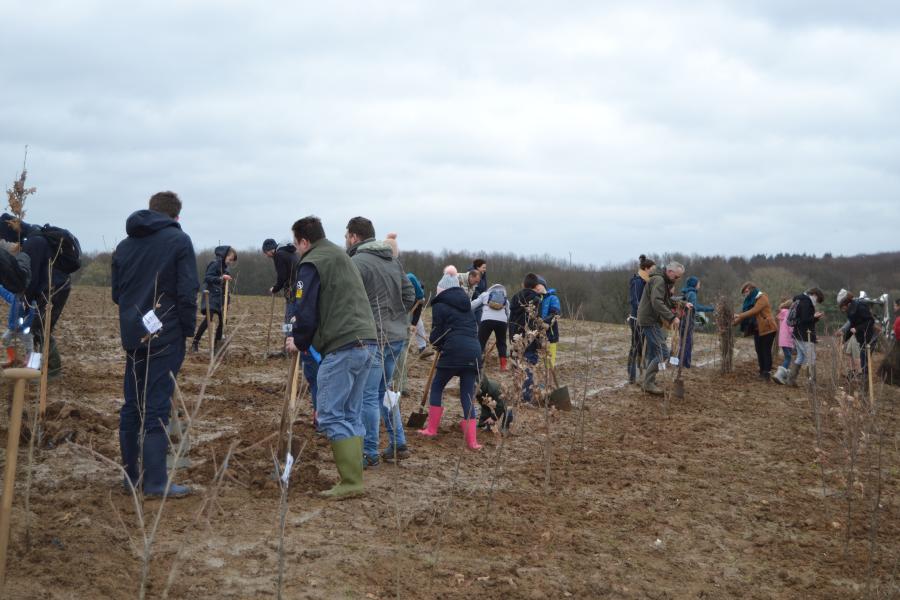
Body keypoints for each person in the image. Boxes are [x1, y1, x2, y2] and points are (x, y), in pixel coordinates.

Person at [112, 191, 198, 498]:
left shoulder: (125, 245)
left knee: (132, 404)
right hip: (166, 335)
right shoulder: (179, 241)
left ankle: (131, 478)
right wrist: (187, 330)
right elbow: (187, 291)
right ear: (176, 216)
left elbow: (117, 294)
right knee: (157, 404)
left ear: (151, 211)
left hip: (133, 334)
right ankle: (156, 482)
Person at [285, 216, 377, 499]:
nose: (296, 250)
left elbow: (305, 307)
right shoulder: (341, 255)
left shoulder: (312, 263)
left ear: (304, 241)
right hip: (367, 342)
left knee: (329, 414)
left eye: (296, 244)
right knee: (350, 412)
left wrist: (299, 339)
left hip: (342, 345)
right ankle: (355, 478)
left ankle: (350, 482)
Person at [345, 217, 416, 466]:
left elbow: (348, 300)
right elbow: (410, 295)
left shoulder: (356, 262)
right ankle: (398, 442)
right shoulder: (393, 261)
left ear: (354, 237)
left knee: (368, 396)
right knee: (385, 392)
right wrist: (396, 316)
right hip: (396, 337)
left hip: (373, 338)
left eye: (347, 236)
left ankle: (369, 452)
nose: (346, 241)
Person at [417, 274, 484, 450]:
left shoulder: (439, 304)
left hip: (454, 350)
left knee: (437, 386)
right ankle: (472, 441)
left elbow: (437, 334)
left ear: (442, 289)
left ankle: (431, 429)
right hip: (474, 352)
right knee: (467, 394)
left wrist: (436, 343)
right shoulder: (467, 304)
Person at [637, 262, 688, 395]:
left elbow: (666, 301)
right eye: (676, 277)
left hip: (651, 319)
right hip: (649, 320)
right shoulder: (659, 280)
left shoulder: (662, 281)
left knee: (655, 353)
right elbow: (657, 302)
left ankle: (649, 381)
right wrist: (672, 317)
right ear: (670, 272)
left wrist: (683, 304)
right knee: (663, 352)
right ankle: (647, 383)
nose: (677, 279)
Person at [190, 246, 236, 353]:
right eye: (230, 259)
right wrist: (221, 278)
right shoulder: (214, 264)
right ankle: (195, 343)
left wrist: (228, 301)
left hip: (221, 298)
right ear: (225, 255)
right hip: (210, 295)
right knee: (209, 319)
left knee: (223, 321)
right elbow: (207, 277)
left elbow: (226, 287)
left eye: (232, 261)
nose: (230, 262)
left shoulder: (226, 269)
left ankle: (216, 347)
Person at [508, 273, 545, 403]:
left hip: (515, 338)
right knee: (529, 367)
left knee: (517, 367)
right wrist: (539, 342)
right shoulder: (536, 300)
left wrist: (512, 337)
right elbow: (537, 322)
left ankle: (517, 395)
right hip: (530, 340)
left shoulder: (515, 298)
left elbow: (511, 320)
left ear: (523, 284)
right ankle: (526, 398)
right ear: (536, 286)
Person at [732, 282, 778, 381]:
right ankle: (762, 372)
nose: (745, 294)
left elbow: (754, 310)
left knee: (765, 351)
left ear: (751, 289)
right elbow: (745, 314)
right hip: (758, 330)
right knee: (759, 350)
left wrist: (739, 315)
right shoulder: (749, 301)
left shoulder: (762, 297)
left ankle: (766, 373)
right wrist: (732, 323)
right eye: (744, 293)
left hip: (768, 328)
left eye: (746, 291)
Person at [785, 287, 825, 387]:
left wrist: (815, 318)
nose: (816, 302)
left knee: (800, 357)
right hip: (805, 334)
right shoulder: (807, 302)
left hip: (797, 333)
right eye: (818, 300)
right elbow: (805, 320)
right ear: (815, 295)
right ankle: (812, 383)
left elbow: (802, 319)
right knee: (811, 357)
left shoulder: (800, 300)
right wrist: (815, 317)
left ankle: (790, 380)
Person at [627, 255, 655, 384]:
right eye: (653, 268)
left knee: (644, 347)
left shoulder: (648, 281)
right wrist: (644, 312)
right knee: (635, 347)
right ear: (646, 268)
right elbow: (635, 301)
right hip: (636, 319)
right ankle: (632, 375)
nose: (654, 271)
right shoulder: (637, 281)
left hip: (645, 319)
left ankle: (642, 375)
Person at [838, 291, 878, 377]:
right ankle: (856, 373)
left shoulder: (860, 307)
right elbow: (851, 326)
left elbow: (870, 321)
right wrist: (844, 339)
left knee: (863, 356)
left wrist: (857, 329)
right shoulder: (850, 311)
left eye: (844, 308)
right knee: (853, 353)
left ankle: (864, 376)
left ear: (848, 304)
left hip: (868, 335)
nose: (843, 311)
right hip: (859, 335)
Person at [678, 276, 713, 368]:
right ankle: (686, 364)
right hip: (687, 321)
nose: (699, 286)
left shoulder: (686, 293)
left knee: (682, 342)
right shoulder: (692, 294)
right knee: (688, 342)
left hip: (682, 320)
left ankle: (681, 362)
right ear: (694, 284)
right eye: (698, 284)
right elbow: (695, 307)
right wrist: (710, 308)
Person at [475, 282, 510, 371]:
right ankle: (503, 366)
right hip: (502, 321)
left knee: (481, 342)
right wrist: (506, 321)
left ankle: (477, 364)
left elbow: (474, 304)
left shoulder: (485, 295)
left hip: (487, 320)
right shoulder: (505, 299)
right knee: (502, 343)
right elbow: (508, 312)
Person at [0, 284, 35, 367]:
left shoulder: (30, 301)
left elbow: (31, 316)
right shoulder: (15, 297)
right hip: (12, 328)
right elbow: (6, 294)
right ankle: (12, 358)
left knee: (29, 345)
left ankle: (29, 362)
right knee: (5, 339)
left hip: (24, 330)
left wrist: (23, 326)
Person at [537, 282, 561, 367]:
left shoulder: (553, 298)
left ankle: (550, 373)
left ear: (543, 285)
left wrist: (544, 322)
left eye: (538, 285)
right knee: (541, 360)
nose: (536, 287)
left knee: (550, 361)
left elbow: (555, 313)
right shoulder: (536, 298)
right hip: (539, 334)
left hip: (551, 333)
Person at [772, 297, 795, 383]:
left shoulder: (783, 313)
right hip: (788, 339)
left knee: (788, 356)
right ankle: (779, 375)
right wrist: (795, 332)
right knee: (788, 357)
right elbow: (790, 327)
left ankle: (785, 376)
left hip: (783, 339)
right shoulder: (789, 314)